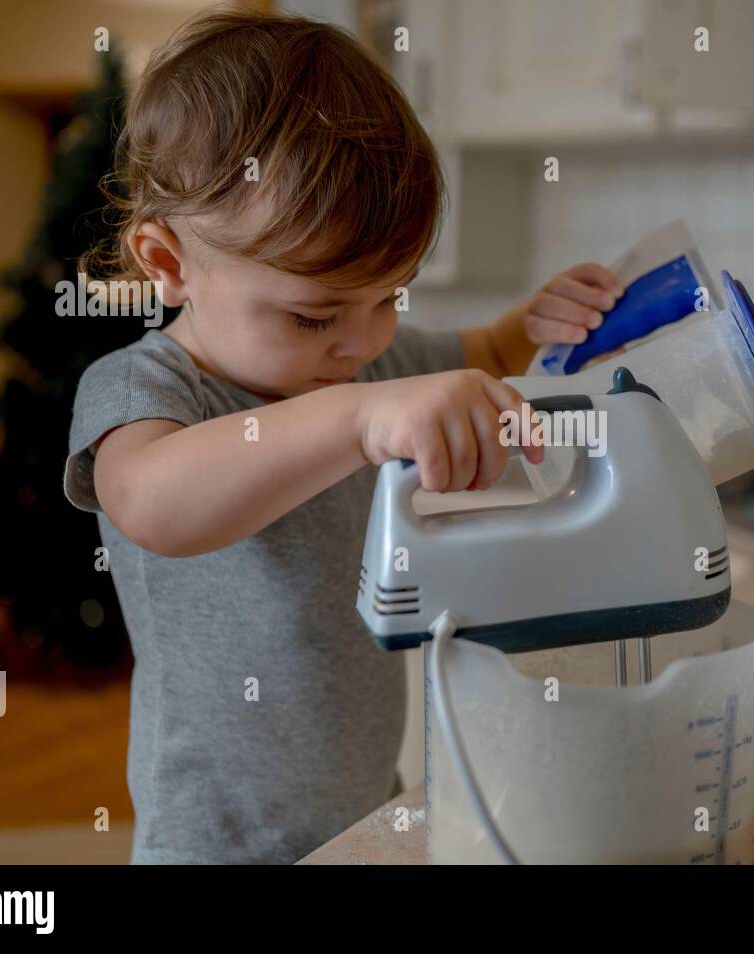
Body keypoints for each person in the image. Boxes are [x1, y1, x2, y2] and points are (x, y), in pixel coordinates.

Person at [64, 7, 623, 863]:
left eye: (391, 297)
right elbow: (153, 503)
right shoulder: (147, 388)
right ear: (169, 264)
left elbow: (486, 354)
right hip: (216, 844)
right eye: (316, 313)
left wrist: (532, 323)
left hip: (365, 810)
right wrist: (362, 417)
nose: (365, 342)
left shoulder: (352, 357)